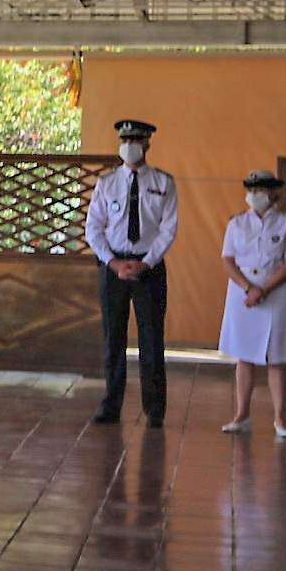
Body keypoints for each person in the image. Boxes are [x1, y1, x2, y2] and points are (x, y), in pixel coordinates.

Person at [85, 119, 179, 429]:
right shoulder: (107, 183)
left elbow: (168, 229)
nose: (129, 146)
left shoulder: (164, 182)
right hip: (113, 267)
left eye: (135, 140)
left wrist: (146, 262)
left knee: (151, 339)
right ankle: (111, 405)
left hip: (149, 268)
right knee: (113, 338)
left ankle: (154, 409)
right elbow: (93, 228)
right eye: (124, 140)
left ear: (147, 143)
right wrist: (113, 262)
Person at [219, 170, 286, 439]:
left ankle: (280, 417)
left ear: (274, 193)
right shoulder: (237, 223)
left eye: (260, 190)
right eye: (251, 190)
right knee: (244, 356)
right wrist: (249, 288)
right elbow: (228, 260)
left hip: (275, 292)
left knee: (277, 357)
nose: (254, 195)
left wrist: (264, 290)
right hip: (243, 292)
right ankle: (241, 415)